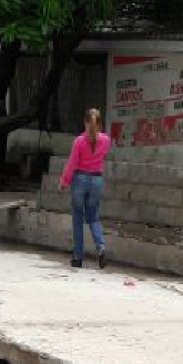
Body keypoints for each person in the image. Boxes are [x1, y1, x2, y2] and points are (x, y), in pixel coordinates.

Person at [58, 108, 111, 269]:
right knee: (94, 218)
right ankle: (100, 247)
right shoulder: (106, 140)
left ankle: (78, 257)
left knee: (77, 220)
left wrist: (64, 182)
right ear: (100, 123)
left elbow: (72, 164)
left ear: (85, 122)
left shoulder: (79, 141)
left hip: (80, 179)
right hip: (96, 180)